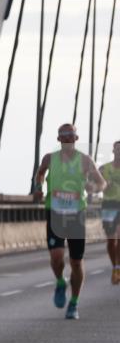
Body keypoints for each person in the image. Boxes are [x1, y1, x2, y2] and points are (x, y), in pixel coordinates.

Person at [33, 124, 107, 319]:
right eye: (64, 136)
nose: (67, 139)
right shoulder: (50, 158)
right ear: (59, 139)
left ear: (76, 138)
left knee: (76, 261)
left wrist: (92, 188)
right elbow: (40, 174)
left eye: (71, 136)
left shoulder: (84, 160)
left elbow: (101, 183)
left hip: (76, 215)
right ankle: (60, 282)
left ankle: (74, 303)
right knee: (57, 257)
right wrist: (39, 186)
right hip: (55, 212)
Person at [99, 140, 120, 285]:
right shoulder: (103, 169)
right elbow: (95, 185)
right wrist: (104, 186)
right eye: (117, 149)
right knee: (111, 241)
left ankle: (118, 267)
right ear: (113, 151)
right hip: (108, 205)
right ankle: (115, 267)